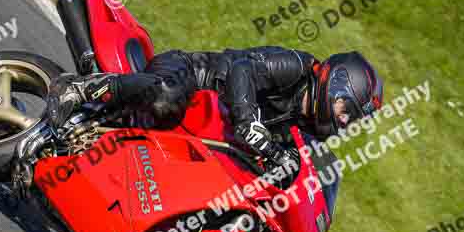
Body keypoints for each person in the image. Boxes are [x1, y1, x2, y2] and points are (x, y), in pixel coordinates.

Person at [48, 46, 384, 171]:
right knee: (165, 100)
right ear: (338, 85)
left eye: (350, 120)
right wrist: (250, 121)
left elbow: (296, 170)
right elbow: (243, 69)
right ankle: (81, 87)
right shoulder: (296, 66)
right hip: (192, 78)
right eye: (347, 110)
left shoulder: (306, 131)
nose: (344, 121)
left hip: (205, 136)